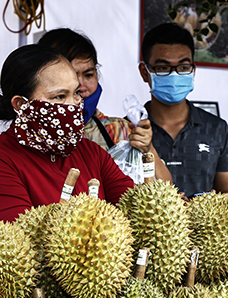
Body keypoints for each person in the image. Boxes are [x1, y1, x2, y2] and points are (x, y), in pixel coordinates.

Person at [0, 44, 134, 223]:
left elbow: (135, 210)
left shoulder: (91, 153)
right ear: (21, 105)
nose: (74, 105)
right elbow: (17, 243)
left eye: (76, 93)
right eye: (59, 97)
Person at [37, 28, 171, 182]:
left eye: (89, 75)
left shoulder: (119, 131)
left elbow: (165, 190)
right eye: (72, 75)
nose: (81, 87)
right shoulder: (30, 138)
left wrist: (148, 149)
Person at [138, 23, 228, 199]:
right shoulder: (130, 130)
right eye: (163, 68)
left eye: (183, 67)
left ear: (193, 71)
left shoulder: (216, 129)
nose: (174, 74)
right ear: (145, 72)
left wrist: (197, 205)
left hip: (205, 224)